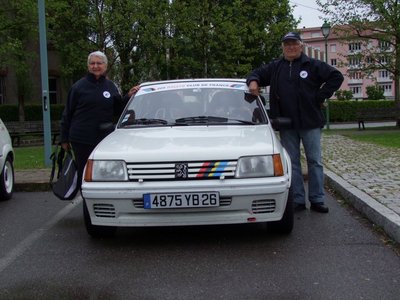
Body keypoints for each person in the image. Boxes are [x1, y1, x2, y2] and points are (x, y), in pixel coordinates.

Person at [246, 32, 344, 213]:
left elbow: (336, 76)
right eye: (287, 44)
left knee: (315, 161)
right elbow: (256, 73)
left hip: (310, 122)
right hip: (287, 123)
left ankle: (317, 199)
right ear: (283, 47)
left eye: (294, 44)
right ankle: (298, 199)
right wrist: (253, 81)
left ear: (301, 45)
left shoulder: (312, 65)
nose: (290, 47)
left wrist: (321, 96)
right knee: (292, 163)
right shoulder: (276, 67)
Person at [60, 51, 139, 191]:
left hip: (105, 138)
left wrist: (128, 96)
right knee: (85, 175)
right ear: (88, 66)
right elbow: (67, 114)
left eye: (99, 63)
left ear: (105, 66)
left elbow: (118, 110)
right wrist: (64, 139)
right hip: (82, 139)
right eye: (92, 63)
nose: (95, 66)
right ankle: (87, 209)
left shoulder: (110, 86)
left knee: (105, 174)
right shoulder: (78, 87)